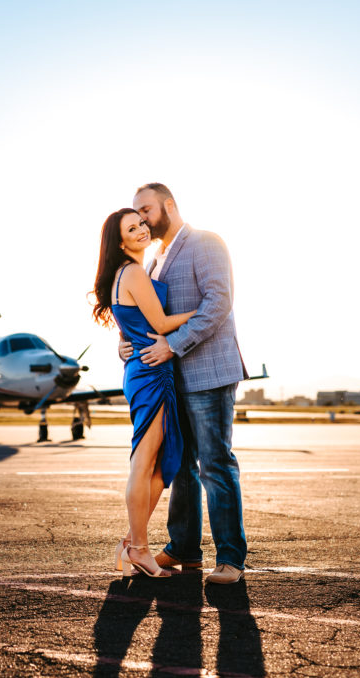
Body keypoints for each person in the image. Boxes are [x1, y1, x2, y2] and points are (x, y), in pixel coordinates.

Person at [120, 183, 249, 584]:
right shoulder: (155, 260)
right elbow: (150, 316)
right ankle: (184, 549)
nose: (141, 219)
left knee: (215, 463)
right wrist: (128, 345)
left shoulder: (206, 243)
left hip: (208, 374)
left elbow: (218, 303)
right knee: (182, 469)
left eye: (146, 210)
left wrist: (172, 346)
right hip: (171, 381)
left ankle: (230, 558)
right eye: (136, 214)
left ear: (169, 205)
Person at [92, 208, 196, 579]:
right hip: (151, 374)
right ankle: (139, 548)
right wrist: (202, 310)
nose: (140, 230)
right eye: (131, 228)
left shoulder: (131, 271)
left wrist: (124, 344)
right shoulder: (133, 272)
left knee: (160, 465)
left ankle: (130, 542)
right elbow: (162, 324)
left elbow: (131, 327)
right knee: (144, 462)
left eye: (141, 223)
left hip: (148, 369)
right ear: (119, 242)